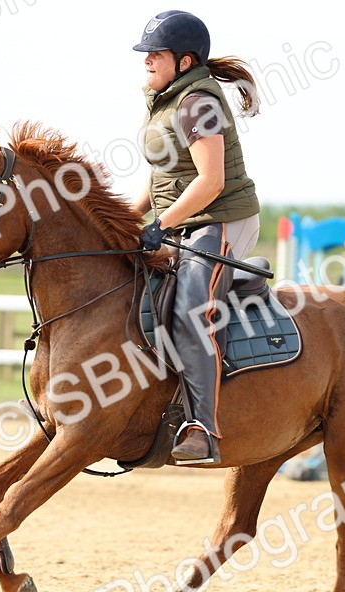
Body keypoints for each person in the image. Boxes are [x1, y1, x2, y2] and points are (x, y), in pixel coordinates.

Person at [131, 9, 262, 465]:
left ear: (184, 62)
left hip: (224, 217)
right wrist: (127, 217)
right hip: (186, 218)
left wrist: (161, 225)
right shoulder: (167, 99)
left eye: (156, 53)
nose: (146, 60)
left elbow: (209, 182)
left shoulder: (196, 102)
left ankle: (203, 428)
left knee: (191, 309)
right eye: (146, 53)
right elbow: (166, 175)